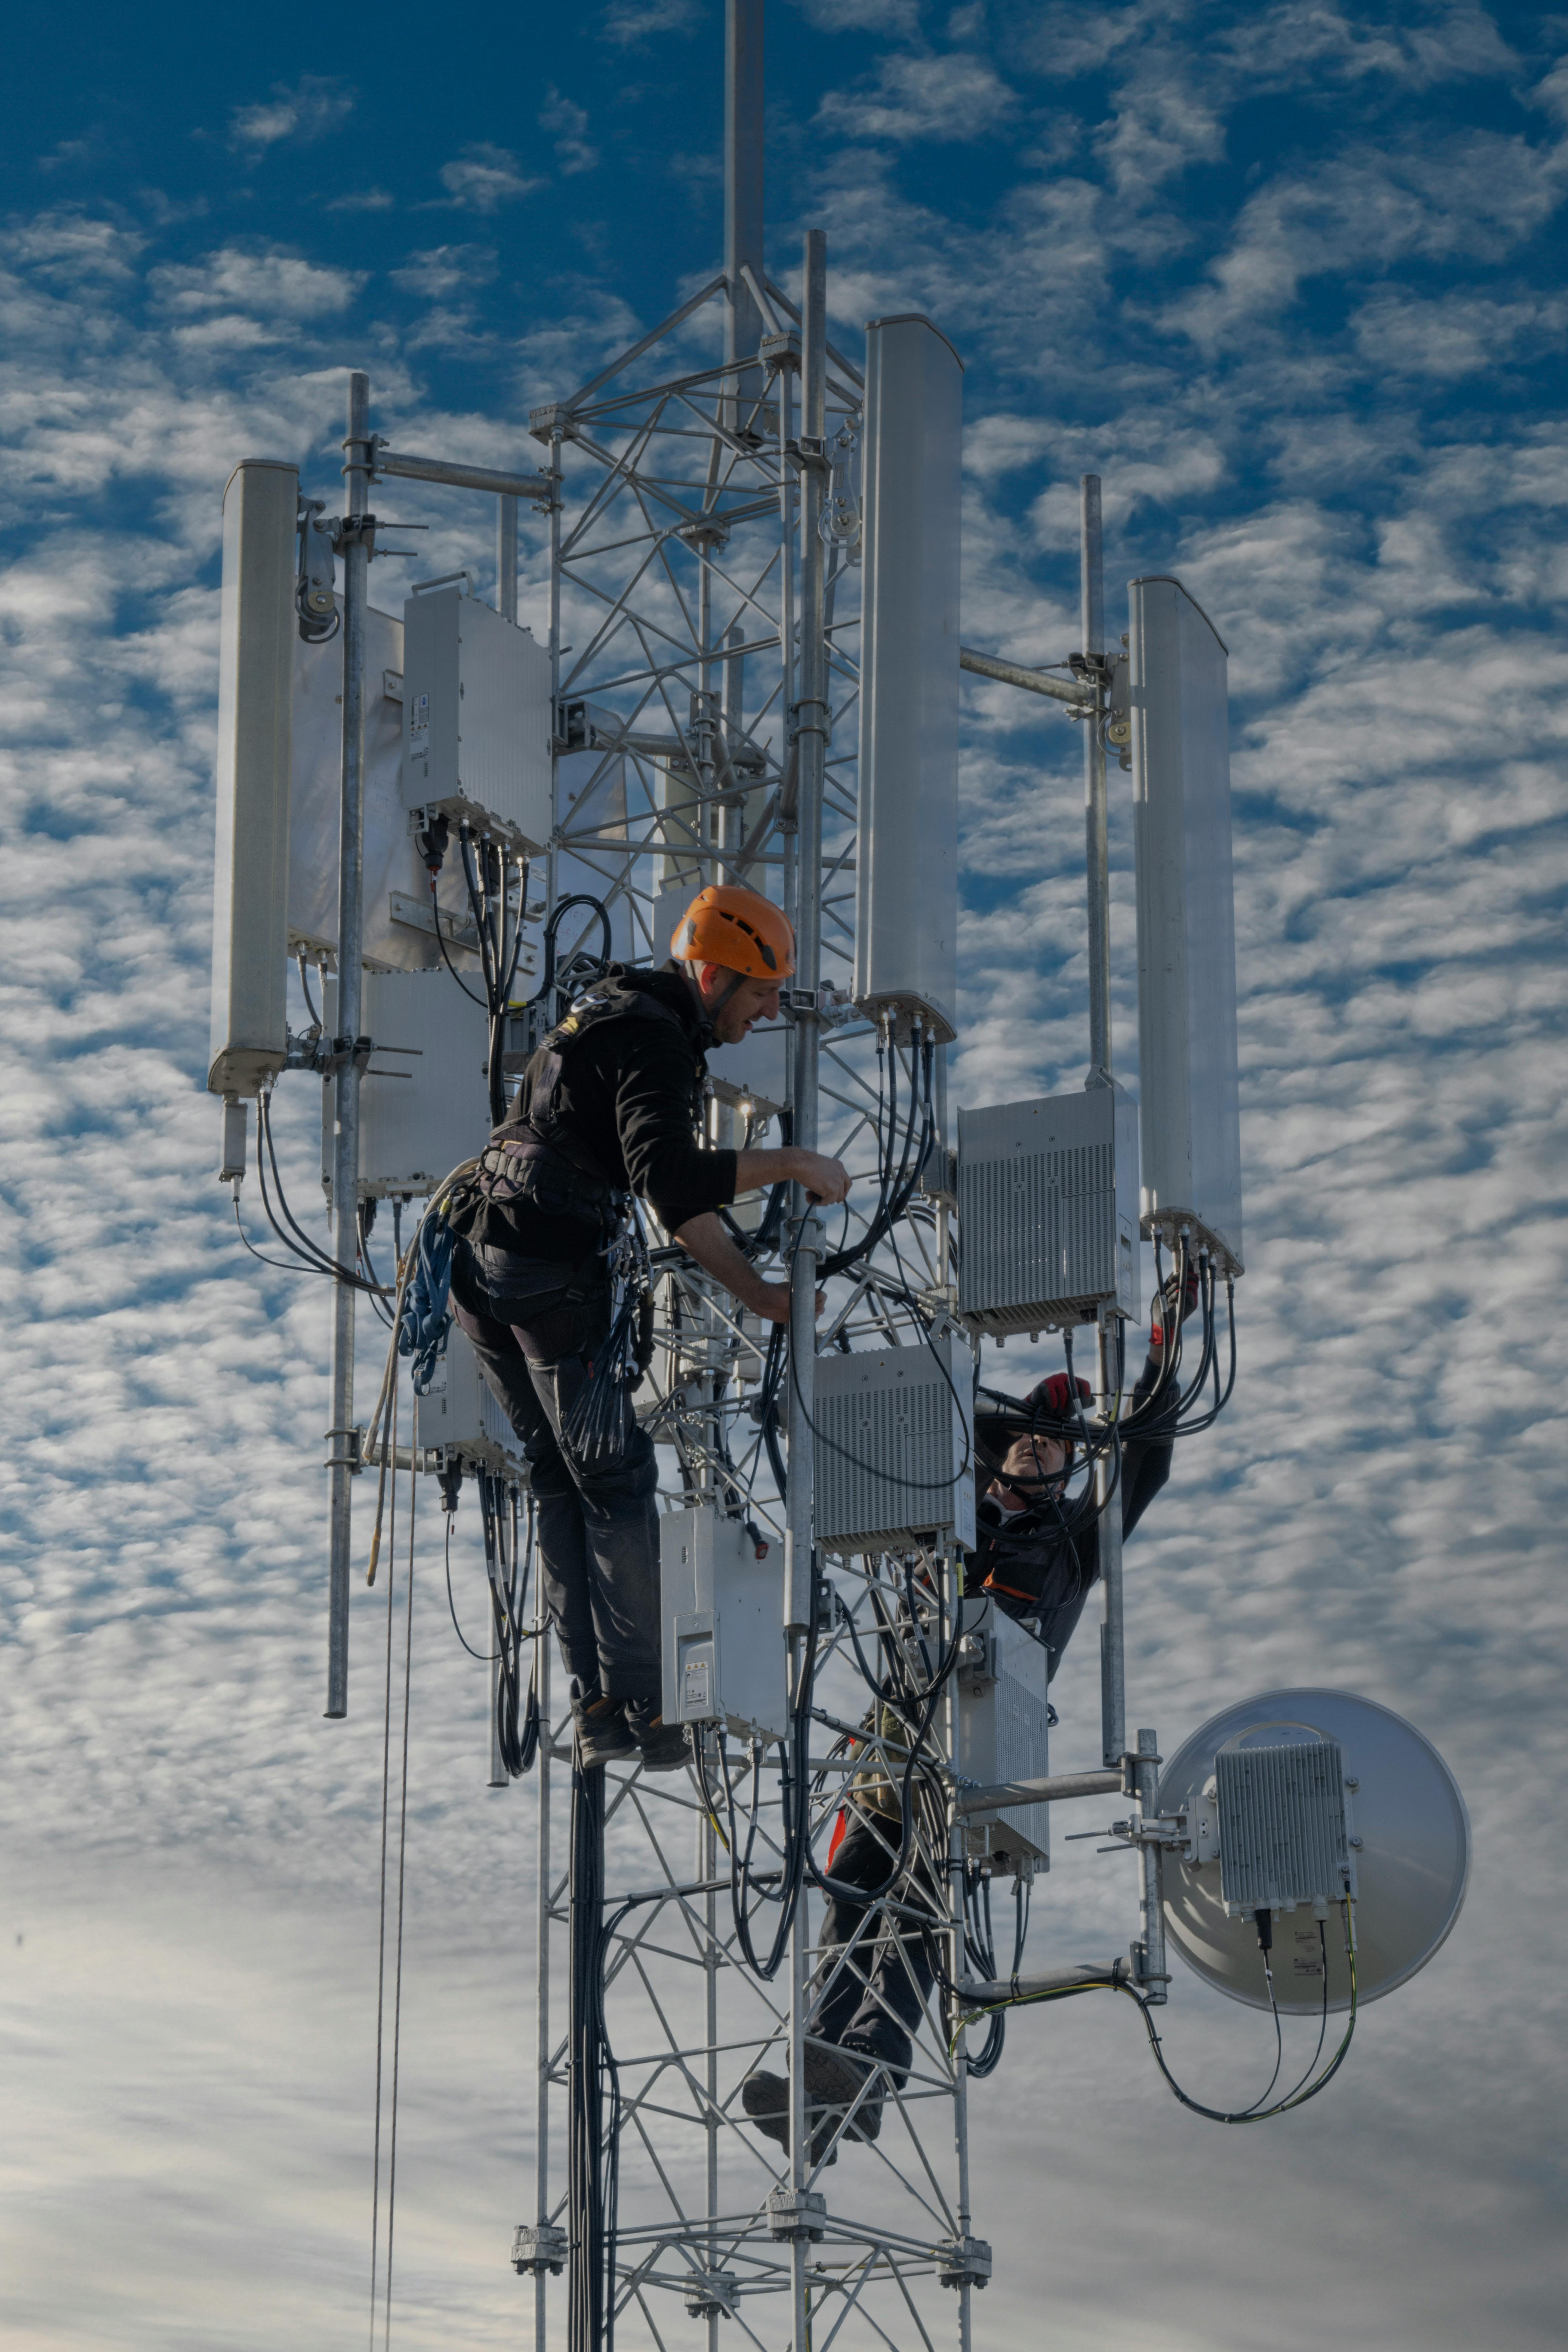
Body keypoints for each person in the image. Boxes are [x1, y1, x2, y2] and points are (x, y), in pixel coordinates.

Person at [742, 1275, 1194, 2159]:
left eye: (1051, 1443)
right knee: (847, 1915)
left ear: (1069, 1466)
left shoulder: (1068, 1543)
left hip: (967, 1765)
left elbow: (1146, 1462)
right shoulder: (945, 1527)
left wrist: (1162, 1359)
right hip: (884, 1758)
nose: (1033, 1449)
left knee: (911, 1913)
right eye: (1021, 1438)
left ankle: (862, 2066)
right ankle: (827, 2089)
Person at [445, 884, 849, 1771]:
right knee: (615, 1478)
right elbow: (672, 1180)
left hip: (486, 1272)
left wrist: (760, 1295)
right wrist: (792, 1163)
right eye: (760, 989)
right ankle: (643, 1700)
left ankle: (598, 1700)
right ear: (711, 975)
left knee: (562, 1477)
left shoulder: (616, 1017)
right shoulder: (654, 1038)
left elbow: (677, 1205)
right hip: (544, 1274)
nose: (770, 1008)